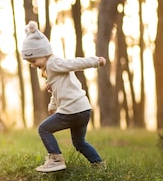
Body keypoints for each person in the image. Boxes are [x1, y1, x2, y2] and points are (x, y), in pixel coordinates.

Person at [21, 21, 105, 172]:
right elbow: (56, 90)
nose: (33, 65)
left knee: (44, 129)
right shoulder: (52, 69)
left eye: (33, 60)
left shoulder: (53, 63)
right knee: (79, 143)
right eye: (30, 62)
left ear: (44, 53)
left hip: (72, 110)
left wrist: (95, 61)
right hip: (84, 109)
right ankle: (99, 165)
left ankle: (56, 159)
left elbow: (74, 63)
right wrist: (53, 106)